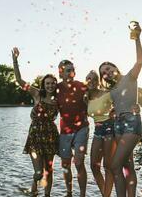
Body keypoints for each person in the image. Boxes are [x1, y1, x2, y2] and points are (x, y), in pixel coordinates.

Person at [98, 22, 142, 197]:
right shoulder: (111, 90)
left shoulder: (130, 77)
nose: (107, 73)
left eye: (108, 69)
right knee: (127, 165)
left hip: (132, 123)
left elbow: (140, 60)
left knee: (114, 166)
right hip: (118, 125)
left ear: (115, 68)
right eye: (104, 72)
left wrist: (137, 38)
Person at [12, 47, 59, 197]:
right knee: (39, 172)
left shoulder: (58, 100)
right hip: (36, 136)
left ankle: (46, 195)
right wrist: (15, 60)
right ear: (43, 84)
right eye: (47, 83)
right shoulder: (37, 94)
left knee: (49, 171)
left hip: (51, 136)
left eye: (52, 83)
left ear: (56, 84)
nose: (50, 85)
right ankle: (34, 186)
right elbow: (19, 80)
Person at [57, 60, 89, 197]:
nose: (70, 72)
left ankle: (82, 194)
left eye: (72, 69)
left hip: (81, 128)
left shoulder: (82, 86)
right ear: (60, 72)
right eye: (67, 70)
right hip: (65, 131)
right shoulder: (56, 88)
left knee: (79, 161)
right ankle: (69, 193)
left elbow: (100, 95)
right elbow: (41, 98)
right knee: (65, 165)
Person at [86, 70, 115, 197]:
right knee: (94, 165)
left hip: (110, 128)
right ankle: (106, 194)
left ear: (98, 81)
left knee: (107, 166)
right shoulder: (86, 98)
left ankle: (106, 195)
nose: (91, 81)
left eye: (93, 79)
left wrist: (136, 107)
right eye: (88, 79)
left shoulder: (107, 93)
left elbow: (122, 103)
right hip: (97, 130)